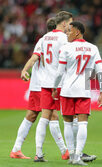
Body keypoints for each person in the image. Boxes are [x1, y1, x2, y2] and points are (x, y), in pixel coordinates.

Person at [12, 17, 69, 160]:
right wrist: (25, 70)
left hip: (38, 83)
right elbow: (35, 58)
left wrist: (25, 70)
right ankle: (64, 151)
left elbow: (34, 57)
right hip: (43, 83)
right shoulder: (56, 39)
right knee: (51, 115)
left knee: (31, 115)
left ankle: (16, 148)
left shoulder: (43, 39)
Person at [52, 21, 102, 165]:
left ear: (77, 32)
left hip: (67, 90)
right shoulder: (93, 48)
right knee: (82, 124)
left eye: (69, 31)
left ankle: (72, 157)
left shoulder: (66, 48)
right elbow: (100, 71)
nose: (66, 33)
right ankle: (77, 157)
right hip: (84, 90)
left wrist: (54, 87)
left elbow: (59, 73)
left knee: (68, 124)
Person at [34, 11, 73, 162]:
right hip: (61, 84)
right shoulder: (64, 38)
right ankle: (75, 151)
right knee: (74, 117)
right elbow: (69, 60)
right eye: (70, 23)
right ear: (64, 23)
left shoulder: (44, 38)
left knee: (45, 118)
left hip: (46, 82)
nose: (70, 27)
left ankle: (39, 153)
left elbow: (42, 60)